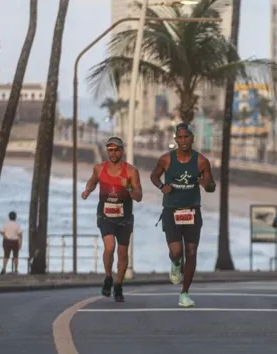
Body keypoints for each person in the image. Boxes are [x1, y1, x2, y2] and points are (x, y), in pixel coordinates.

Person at [150, 123, 216, 308]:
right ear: (175, 139)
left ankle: (184, 293)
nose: (183, 141)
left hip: (192, 210)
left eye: (186, 137)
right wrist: (162, 187)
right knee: (177, 251)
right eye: (180, 137)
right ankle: (175, 263)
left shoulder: (201, 161)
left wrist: (206, 184)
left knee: (192, 252)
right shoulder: (166, 160)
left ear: (192, 138)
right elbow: (154, 176)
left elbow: (212, 186)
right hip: (172, 211)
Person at [82, 136, 142, 302]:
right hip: (105, 215)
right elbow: (93, 182)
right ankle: (108, 276)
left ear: (122, 151)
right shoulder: (99, 169)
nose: (113, 153)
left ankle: (118, 285)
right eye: (110, 150)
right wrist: (88, 190)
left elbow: (138, 197)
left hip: (124, 217)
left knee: (122, 253)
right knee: (109, 247)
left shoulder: (131, 172)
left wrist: (128, 186)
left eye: (116, 149)